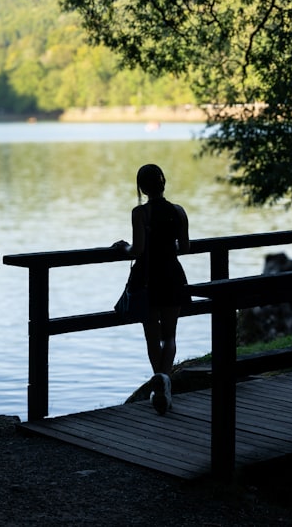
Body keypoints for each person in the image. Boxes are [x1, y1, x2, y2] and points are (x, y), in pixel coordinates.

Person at [113, 164, 190, 414]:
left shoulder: (140, 213)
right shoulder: (179, 212)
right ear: (163, 183)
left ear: (142, 188)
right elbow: (185, 246)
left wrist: (121, 248)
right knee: (170, 335)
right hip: (173, 276)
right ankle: (164, 381)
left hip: (148, 280)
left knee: (151, 336)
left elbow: (137, 250)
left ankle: (159, 384)